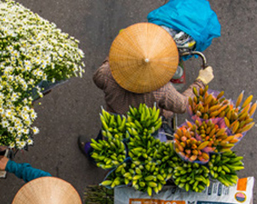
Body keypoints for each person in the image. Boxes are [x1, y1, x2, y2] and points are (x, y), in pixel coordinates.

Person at [78, 22, 214, 157]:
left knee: (105, 137)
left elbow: (98, 79)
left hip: (114, 118)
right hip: (143, 126)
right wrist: (200, 82)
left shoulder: (106, 73)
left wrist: (119, 55)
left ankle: (92, 153)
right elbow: (183, 105)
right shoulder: (161, 90)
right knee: (129, 152)